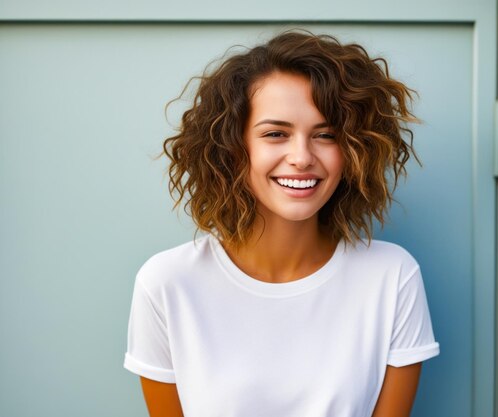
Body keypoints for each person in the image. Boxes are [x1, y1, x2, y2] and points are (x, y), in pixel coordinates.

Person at [123, 30, 439, 417]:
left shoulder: (392, 278)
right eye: (276, 134)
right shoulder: (167, 284)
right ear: (234, 148)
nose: (302, 157)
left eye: (326, 135)